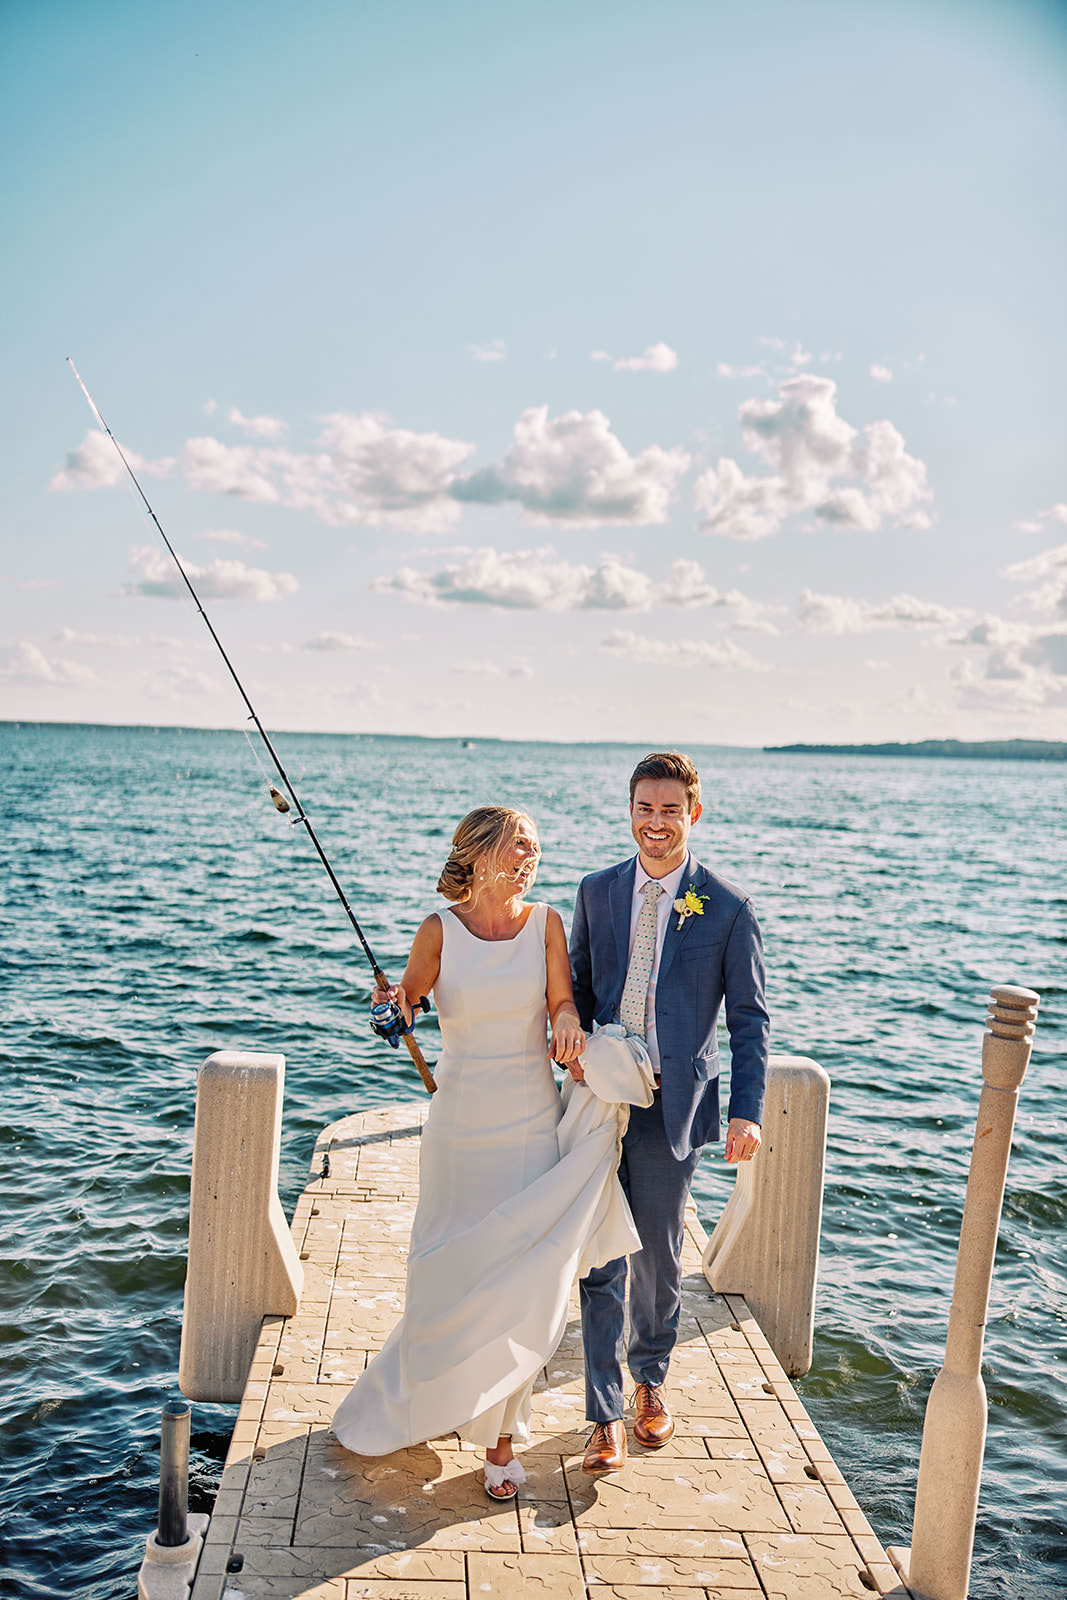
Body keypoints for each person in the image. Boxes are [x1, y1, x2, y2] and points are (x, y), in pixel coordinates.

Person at [331, 805, 645, 1501]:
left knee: (518, 1281)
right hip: (459, 1125)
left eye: (534, 848)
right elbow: (404, 1005)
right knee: (443, 1270)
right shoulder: (438, 929)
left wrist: (567, 1024)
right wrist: (391, 1007)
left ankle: (501, 1435)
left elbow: (562, 1004)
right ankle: (431, 1395)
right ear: (478, 855)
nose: (529, 858)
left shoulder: (546, 925)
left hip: (530, 1120)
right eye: (518, 847)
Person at [567, 750, 769, 1474]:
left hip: (670, 1102)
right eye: (644, 809)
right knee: (597, 1255)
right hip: (597, 1094)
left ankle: (648, 1381)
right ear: (630, 810)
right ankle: (601, 1413)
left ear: (693, 814)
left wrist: (746, 1111)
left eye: (670, 810)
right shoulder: (595, 892)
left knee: (655, 1251)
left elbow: (749, 1019)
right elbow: (577, 991)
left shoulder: (727, 905)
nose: (656, 823)